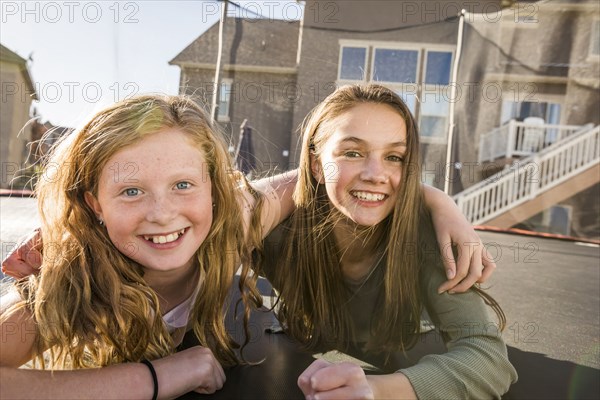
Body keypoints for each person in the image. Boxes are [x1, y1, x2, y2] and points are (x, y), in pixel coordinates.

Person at [2, 93, 495, 399]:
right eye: (131, 192)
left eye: (182, 186)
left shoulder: (432, 245)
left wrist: (433, 198)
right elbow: (273, 191)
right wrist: (154, 378)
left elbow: (486, 359)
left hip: (407, 354)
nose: (162, 213)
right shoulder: (89, 269)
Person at [258, 84, 518, 399]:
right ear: (316, 165)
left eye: (394, 157)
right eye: (352, 152)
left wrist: (379, 390)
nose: (376, 174)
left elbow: (488, 358)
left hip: (402, 342)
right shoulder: (278, 232)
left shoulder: (426, 239)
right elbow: (221, 215)